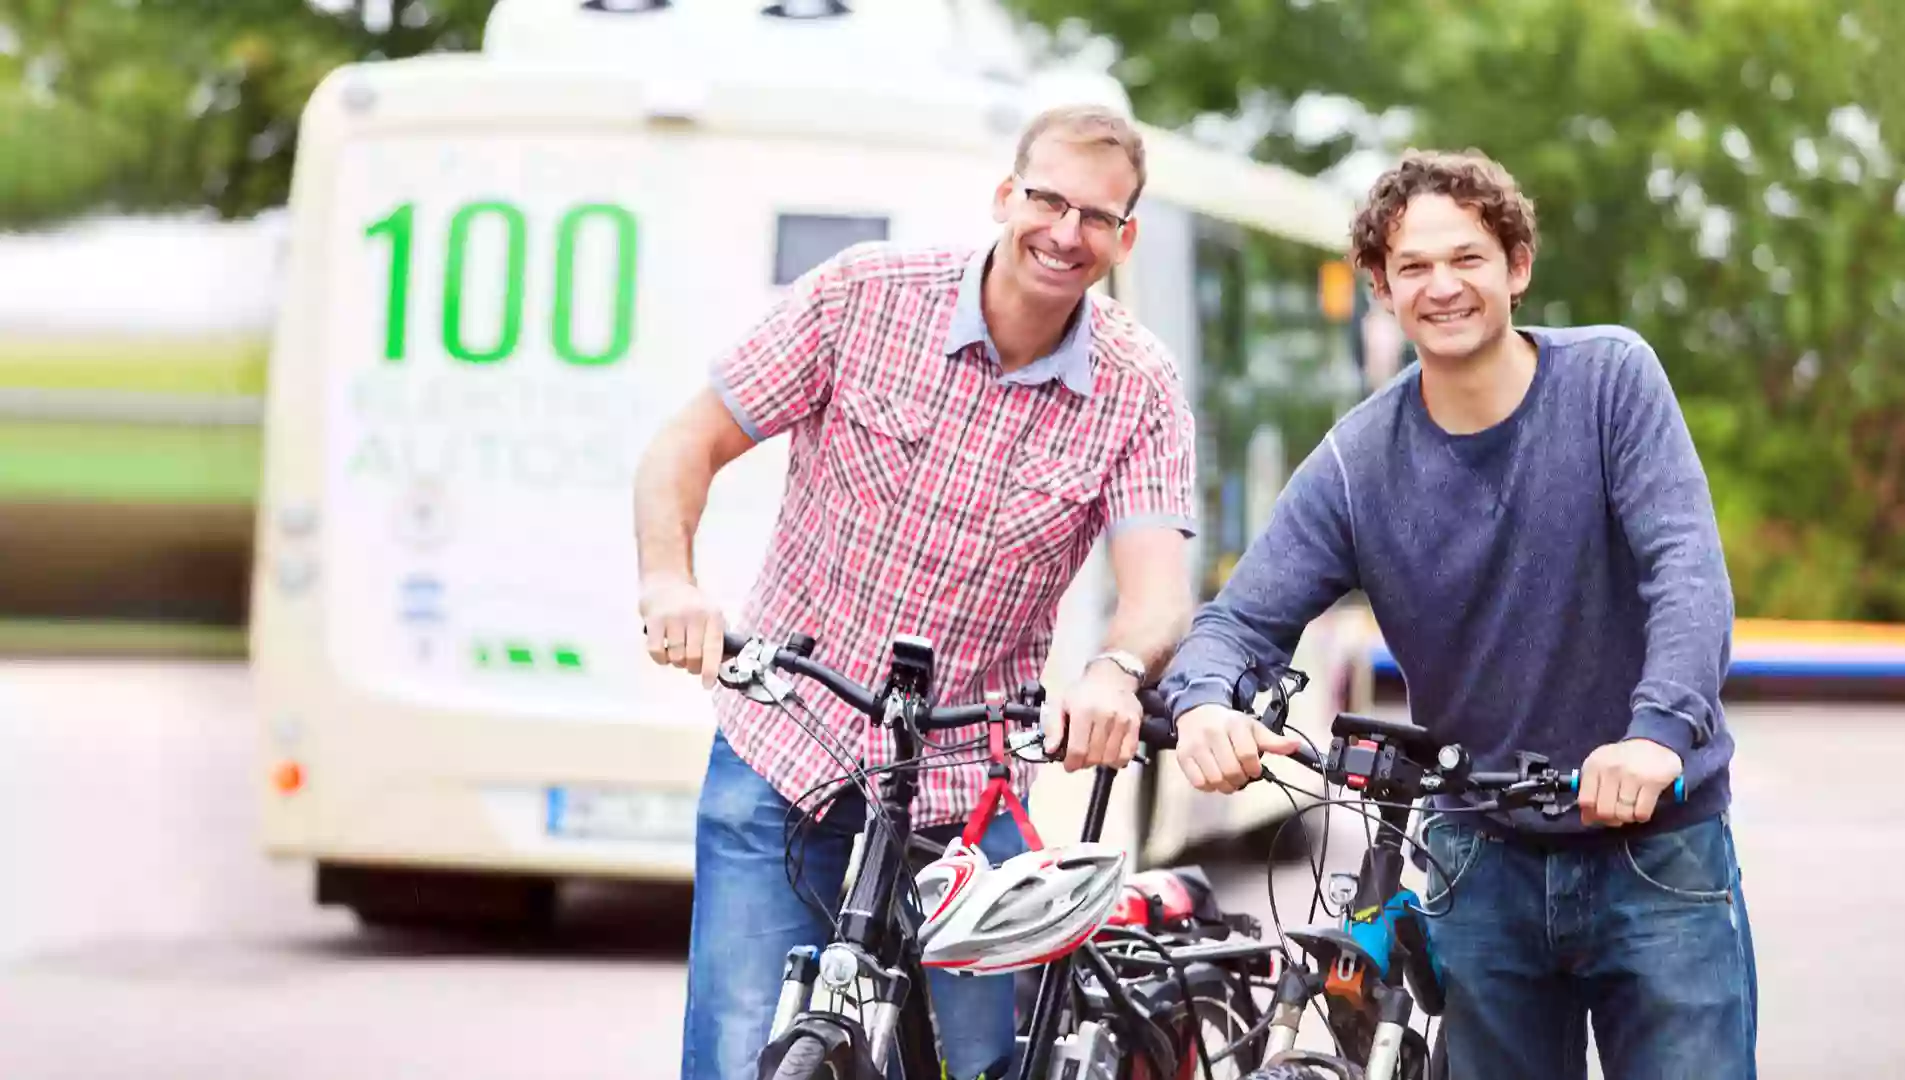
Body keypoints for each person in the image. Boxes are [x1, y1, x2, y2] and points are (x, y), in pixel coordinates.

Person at [1157, 149, 1756, 1078]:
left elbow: (1684, 571)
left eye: (1466, 258)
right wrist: (1202, 707)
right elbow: (1234, 625)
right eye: (1412, 268)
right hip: (1479, 861)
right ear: (1381, 290)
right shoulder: (1359, 458)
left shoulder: (1608, 382)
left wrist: (1657, 734)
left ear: (1515, 266)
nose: (1442, 286)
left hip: (1656, 854)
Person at [637, 104, 1199, 1080]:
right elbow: (685, 445)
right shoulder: (864, 295)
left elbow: (1156, 592)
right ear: (1004, 196)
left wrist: (1113, 673)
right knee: (738, 1052)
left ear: (1126, 236)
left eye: (1096, 217)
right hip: (788, 751)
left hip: (962, 793)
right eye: (1047, 200)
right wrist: (670, 582)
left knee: (977, 1062)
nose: (1066, 233)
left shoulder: (1140, 384)